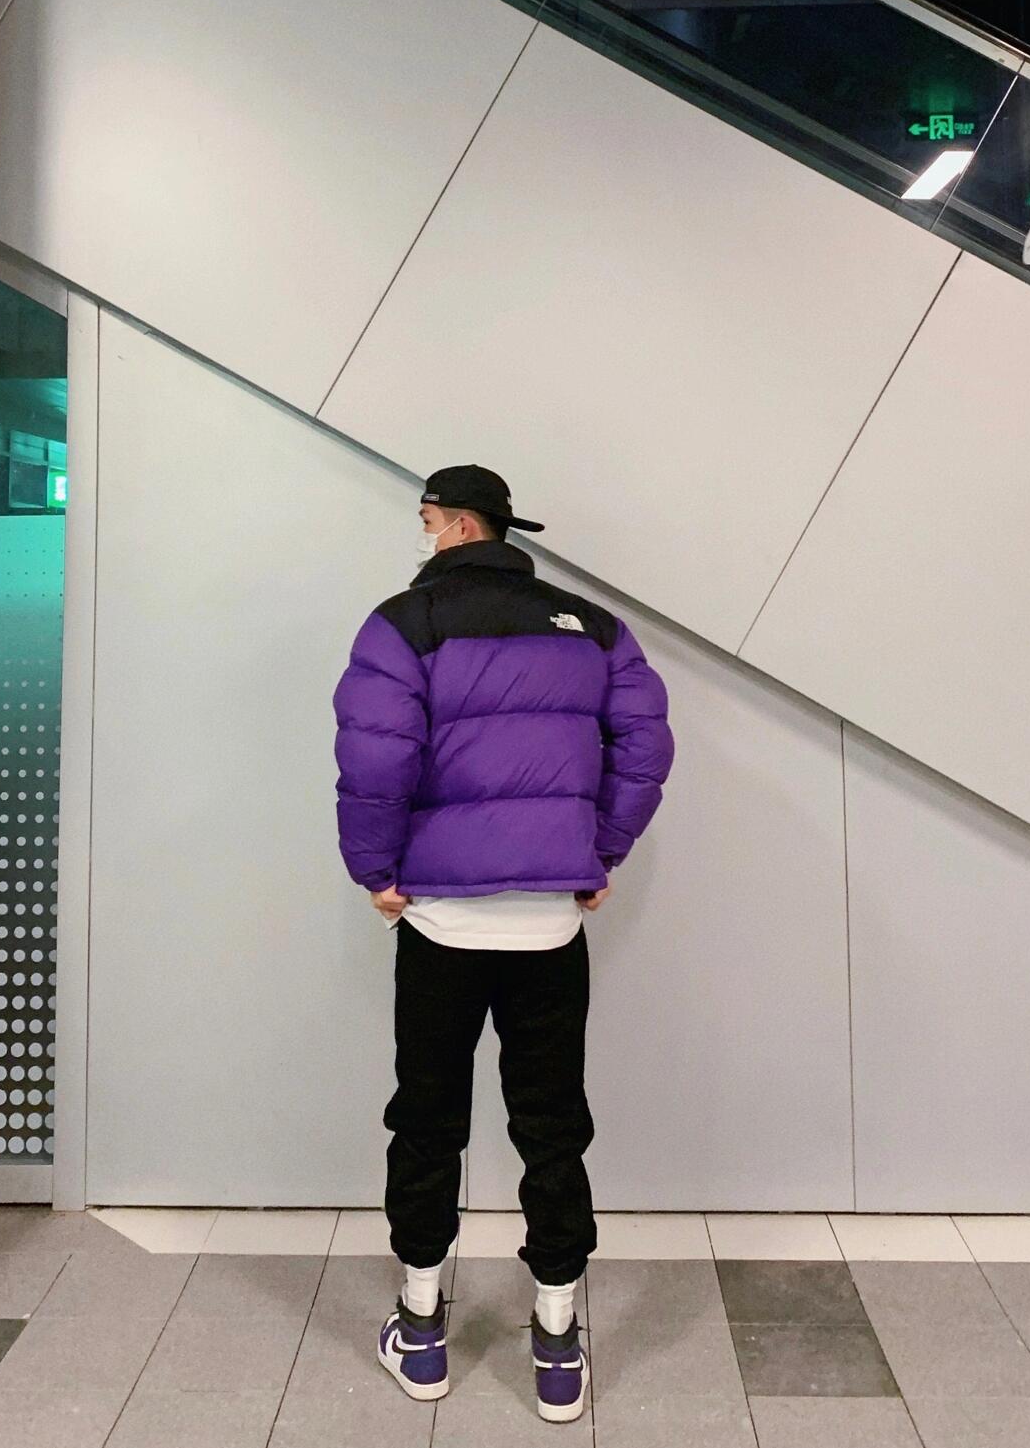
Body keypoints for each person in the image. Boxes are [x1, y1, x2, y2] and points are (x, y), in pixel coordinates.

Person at [332, 464, 674, 1423]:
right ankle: (557, 1341)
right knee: (552, 1124)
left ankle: (422, 1326)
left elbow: (372, 754)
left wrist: (375, 869)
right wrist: (598, 851)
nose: (422, 535)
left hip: (440, 924)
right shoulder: (592, 627)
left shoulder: (402, 624)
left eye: (426, 519)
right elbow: (647, 745)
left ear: (455, 524)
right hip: (549, 927)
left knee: (428, 1119)